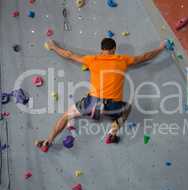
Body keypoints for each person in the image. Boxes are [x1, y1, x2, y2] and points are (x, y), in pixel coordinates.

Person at [35, 38, 165, 149]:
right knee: (127, 109)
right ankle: (112, 133)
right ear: (114, 49)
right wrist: (161, 47)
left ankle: (48, 141)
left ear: (102, 49)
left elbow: (69, 54)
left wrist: (53, 46)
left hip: (91, 105)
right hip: (112, 107)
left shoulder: (92, 60)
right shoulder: (122, 59)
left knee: (65, 117)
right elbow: (144, 57)